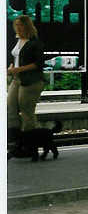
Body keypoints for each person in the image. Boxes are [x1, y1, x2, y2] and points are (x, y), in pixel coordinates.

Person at [7, 15, 50, 161]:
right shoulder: (18, 40)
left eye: (21, 25)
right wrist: (12, 68)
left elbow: (38, 64)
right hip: (17, 79)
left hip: (31, 81)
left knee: (26, 112)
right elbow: (16, 58)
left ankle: (30, 146)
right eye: (16, 25)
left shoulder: (35, 43)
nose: (18, 27)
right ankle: (16, 143)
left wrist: (19, 70)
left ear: (27, 26)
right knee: (10, 108)